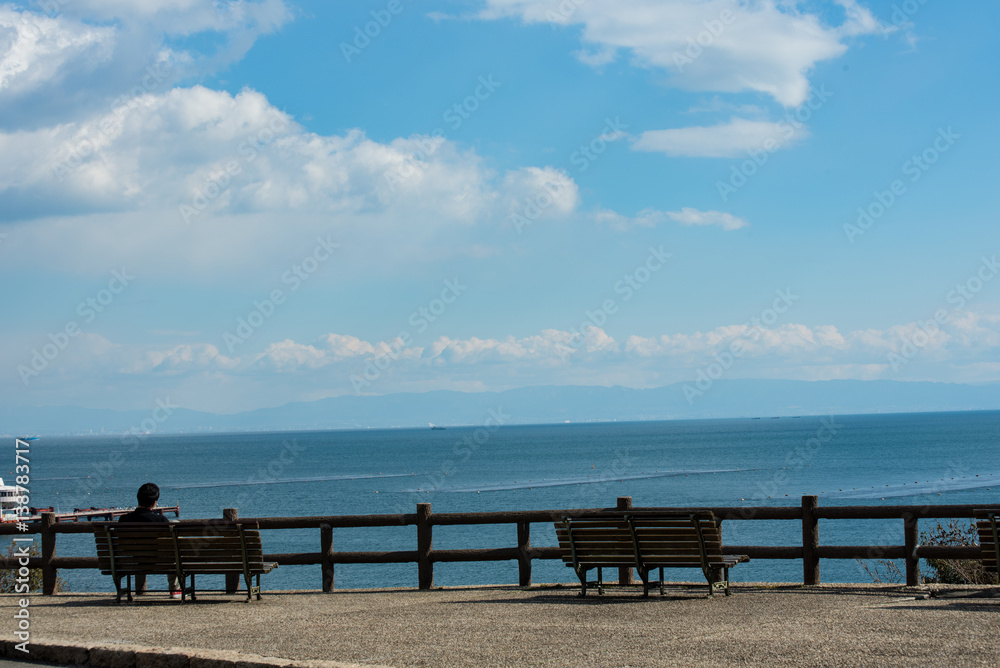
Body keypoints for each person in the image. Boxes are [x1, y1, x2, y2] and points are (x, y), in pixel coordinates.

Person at [118, 483, 182, 599]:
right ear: (154, 503)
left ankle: (123, 590)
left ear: (138, 499)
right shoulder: (161, 520)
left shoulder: (123, 519)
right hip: (159, 562)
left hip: (129, 561)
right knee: (174, 553)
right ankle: (175, 590)